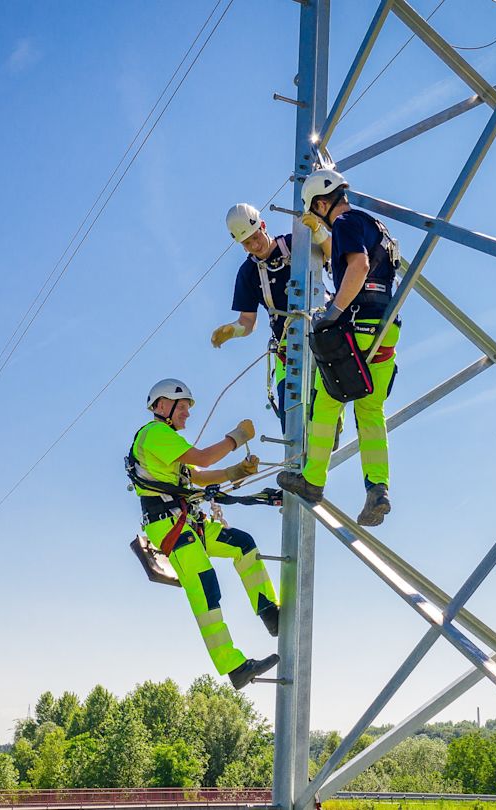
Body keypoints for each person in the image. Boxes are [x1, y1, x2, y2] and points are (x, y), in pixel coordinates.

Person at [128, 378, 281, 689]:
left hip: (187, 521)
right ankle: (234, 665)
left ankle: (269, 611)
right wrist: (236, 438)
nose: (186, 413)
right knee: (204, 584)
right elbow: (204, 458)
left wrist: (235, 472)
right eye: (181, 407)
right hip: (169, 525)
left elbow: (197, 476)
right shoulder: (154, 434)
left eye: (186, 407)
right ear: (160, 407)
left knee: (242, 544)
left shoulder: (167, 440)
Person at [277, 168, 401, 527]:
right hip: (385, 331)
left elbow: (358, 266)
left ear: (320, 203)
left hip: (355, 328)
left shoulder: (346, 222)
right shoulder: (376, 226)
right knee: (371, 409)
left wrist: (332, 312)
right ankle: (378, 488)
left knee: (326, 401)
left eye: (316, 213)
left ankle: (313, 480)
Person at [211, 203, 327, 429]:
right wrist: (231, 331)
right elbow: (248, 322)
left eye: (256, 237)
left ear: (263, 226)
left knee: (323, 408)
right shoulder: (248, 273)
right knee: (290, 416)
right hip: (287, 348)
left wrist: (319, 233)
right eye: (247, 243)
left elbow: (332, 256)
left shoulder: (297, 244)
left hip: (321, 334)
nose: (255, 245)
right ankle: (295, 461)